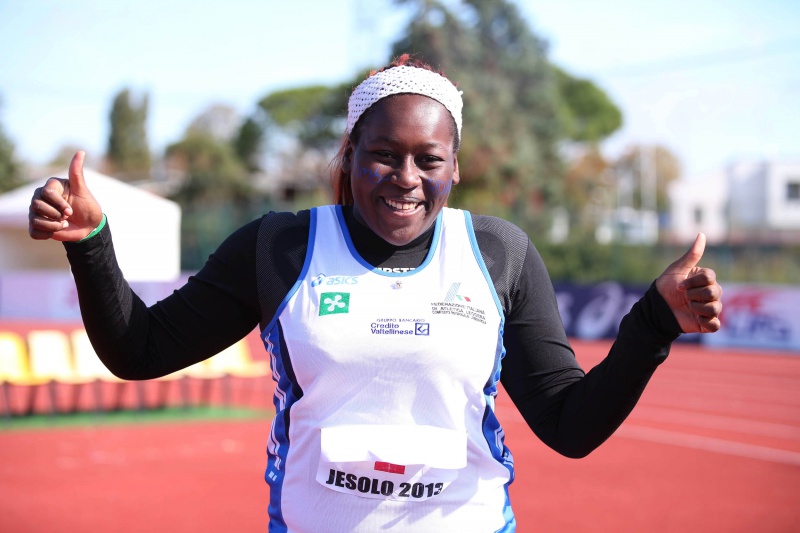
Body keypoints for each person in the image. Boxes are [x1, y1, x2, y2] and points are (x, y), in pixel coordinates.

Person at [28, 55, 722, 532]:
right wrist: (91, 244)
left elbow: (570, 427)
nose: (406, 178)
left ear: (455, 167)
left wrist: (652, 323)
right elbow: (140, 350)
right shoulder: (280, 247)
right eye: (384, 155)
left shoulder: (499, 253)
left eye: (429, 159)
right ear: (351, 153)